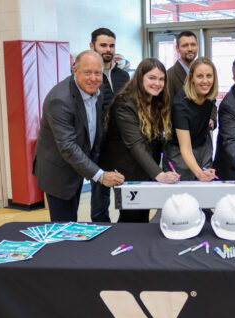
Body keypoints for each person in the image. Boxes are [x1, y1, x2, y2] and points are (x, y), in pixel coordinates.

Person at [32, 50, 124, 222]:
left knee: (72, 222)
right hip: (58, 172)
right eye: (87, 72)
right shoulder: (59, 101)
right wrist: (100, 175)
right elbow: (67, 146)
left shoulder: (98, 90)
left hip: (76, 167)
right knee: (65, 227)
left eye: (97, 73)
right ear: (75, 71)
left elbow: (94, 130)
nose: (93, 78)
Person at [100, 58, 179, 222]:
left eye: (161, 79)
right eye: (152, 78)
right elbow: (135, 144)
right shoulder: (125, 104)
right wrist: (159, 174)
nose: (157, 83)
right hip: (126, 168)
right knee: (131, 217)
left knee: (142, 215)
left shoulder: (157, 101)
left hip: (144, 166)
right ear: (140, 78)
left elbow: (159, 140)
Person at [89, 27, 131, 223]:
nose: (108, 49)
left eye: (111, 45)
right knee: (99, 201)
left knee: (127, 197)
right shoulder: (90, 78)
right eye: (103, 45)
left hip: (122, 146)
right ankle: (100, 238)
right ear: (92, 46)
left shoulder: (123, 77)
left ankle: (125, 231)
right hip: (98, 148)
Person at [163, 57, 217, 182]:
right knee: (183, 196)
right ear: (192, 77)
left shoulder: (209, 97)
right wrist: (199, 173)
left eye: (209, 76)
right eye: (200, 76)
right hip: (179, 154)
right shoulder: (180, 104)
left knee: (205, 191)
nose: (205, 81)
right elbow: (185, 148)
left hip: (202, 147)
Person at [166, 31, 216, 129]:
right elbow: (167, 109)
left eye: (193, 45)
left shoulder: (205, 72)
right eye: (185, 45)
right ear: (177, 48)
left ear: (197, 46)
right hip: (181, 135)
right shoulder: (169, 76)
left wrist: (212, 119)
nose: (190, 49)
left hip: (203, 135)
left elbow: (211, 99)